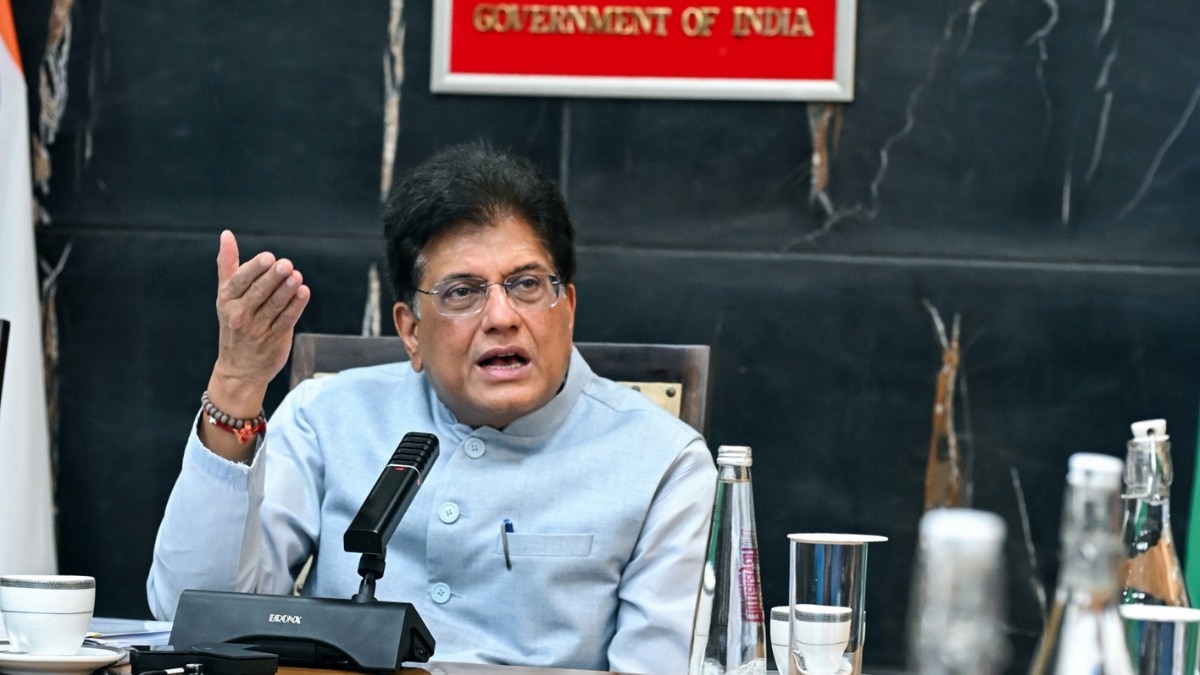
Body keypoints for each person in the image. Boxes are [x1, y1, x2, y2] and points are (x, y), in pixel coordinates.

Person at [147, 142, 717, 673]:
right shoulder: (329, 416)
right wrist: (237, 385)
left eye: (525, 284)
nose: (501, 317)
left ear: (566, 307)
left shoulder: (665, 463)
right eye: (462, 292)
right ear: (411, 331)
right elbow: (189, 616)